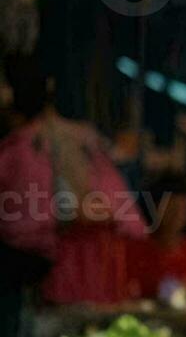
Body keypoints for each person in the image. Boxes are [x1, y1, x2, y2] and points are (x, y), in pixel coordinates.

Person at [0, 57, 144, 306]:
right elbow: (131, 221)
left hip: (51, 291)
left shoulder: (22, 148)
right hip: (99, 289)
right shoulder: (84, 140)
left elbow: (20, 228)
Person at [129, 172, 186, 301]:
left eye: (183, 208)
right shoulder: (138, 250)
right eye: (170, 207)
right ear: (153, 208)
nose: (177, 215)